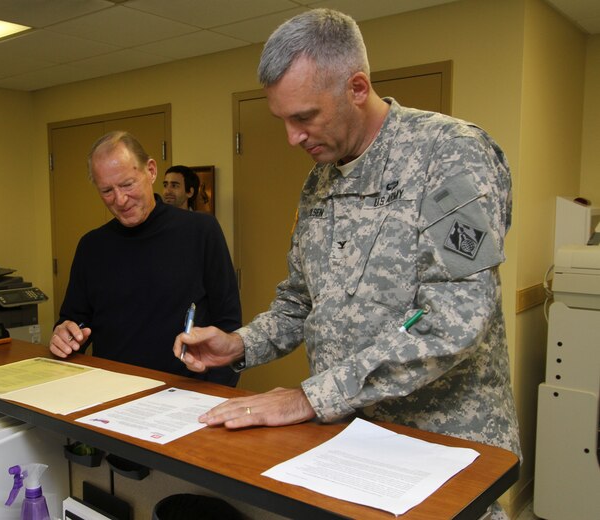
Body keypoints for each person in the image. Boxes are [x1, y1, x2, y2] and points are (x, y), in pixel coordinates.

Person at [174, 10, 520, 512]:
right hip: (349, 447)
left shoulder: (449, 155)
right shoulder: (321, 180)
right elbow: (300, 302)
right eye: (284, 121)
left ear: (357, 87)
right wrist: (238, 344)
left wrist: (311, 398)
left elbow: (454, 319)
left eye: (304, 116)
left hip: (442, 453)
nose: (293, 137)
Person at [50, 131, 241, 386]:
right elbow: (74, 320)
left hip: (186, 395)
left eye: (127, 184)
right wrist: (64, 334)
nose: (120, 200)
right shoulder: (91, 246)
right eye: (107, 191)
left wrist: (214, 393)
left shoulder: (201, 231)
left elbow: (228, 323)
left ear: (151, 171)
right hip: (111, 393)